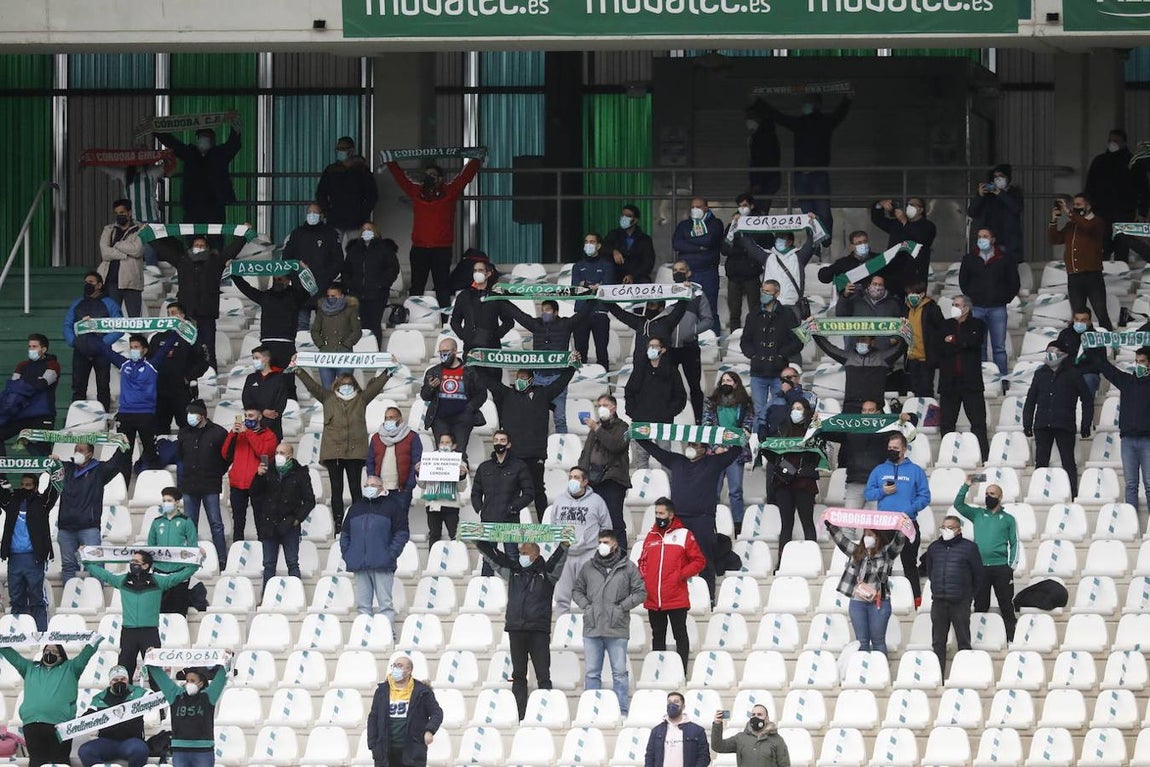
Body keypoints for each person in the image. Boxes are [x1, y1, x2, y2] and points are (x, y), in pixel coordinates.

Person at [637, 439, 741, 602]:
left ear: (704, 449)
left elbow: (735, 452)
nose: (690, 448)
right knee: (674, 560)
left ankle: (709, 599)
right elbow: (657, 451)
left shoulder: (713, 463)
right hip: (678, 520)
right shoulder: (677, 460)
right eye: (689, 444)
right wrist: (638, 437)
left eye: (695, 445)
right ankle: (674, 597)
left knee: (705, 560)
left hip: (703, 520)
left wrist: (740, 439)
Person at [477, 540, 567, 720]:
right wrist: (478, 541)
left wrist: (564, 546)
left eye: (524, 552)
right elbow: (495, 557)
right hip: (516, 629)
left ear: (535, 554)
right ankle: (520, 714)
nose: (521, 556)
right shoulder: (513, 571)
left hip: (538, 630)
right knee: (518, 674)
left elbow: (559, 558)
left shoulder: (547, 573)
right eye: (520, 552)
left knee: (543, 675)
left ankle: (546, 712)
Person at [296, 362, 390, 533]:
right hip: (334, 452)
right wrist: (298, 370)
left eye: (349, 384)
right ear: (336, 385)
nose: (346, 387)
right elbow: (312, 386)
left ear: (354, 385)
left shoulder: (361, 399)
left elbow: (375, 387)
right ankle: (339, 524)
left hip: (355, 453)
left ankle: (357, 521)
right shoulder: (328, 398)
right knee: (336, 489)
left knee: (356, 489)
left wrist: (388, 371)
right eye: (342, 384)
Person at [386, 151, 485, 309]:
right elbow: (401, 179)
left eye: (432, 175)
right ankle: (413, 316)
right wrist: (390, 162)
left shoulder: (449, 192)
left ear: (440, 178)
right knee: (417, 286)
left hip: (442, 249)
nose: (428, 178)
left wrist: (476, 160)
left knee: (442, 287)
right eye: (426, 175)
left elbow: (464, 177)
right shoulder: (417, 192)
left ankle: (446, 320)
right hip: (419, 248)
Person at [85, 550, 197, 680]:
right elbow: (104, 574)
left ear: (146, 565)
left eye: (136, 562)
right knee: (124, 671)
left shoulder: (158, 581)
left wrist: (197, 562)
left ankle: (161, 698)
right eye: (132, 561)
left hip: (149, 633)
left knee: (156, 673)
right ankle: (124, 699)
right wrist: (86, 560)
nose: (132, 564)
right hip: (128, 632)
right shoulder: (123, 580)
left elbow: (178, 577)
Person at [486, 366, 577, 520]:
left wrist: (572, 367)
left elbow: (560, 383)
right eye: (517, 377)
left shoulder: (543, 394)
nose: (519, 380)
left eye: (523, 377)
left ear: (531, 379)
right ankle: (509, 523)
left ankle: (543, 523)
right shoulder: (507, 393)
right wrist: (474, 364)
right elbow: (489, 382)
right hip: (513, 455)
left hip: (535, 455)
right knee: (510, 491)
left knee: (537, 491)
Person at [573, 530, 646, 716]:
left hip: (617, 627)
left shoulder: (628, 567)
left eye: (605, 541)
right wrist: (587, 606)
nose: (601, 545)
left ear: (614, 544)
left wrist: (621, 607)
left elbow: (640, 592)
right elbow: (577, 590)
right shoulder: (588, 567)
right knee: (591, 673)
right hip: (592, 627)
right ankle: (590, 711)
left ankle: (621, 710)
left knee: (620, 673)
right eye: (600, 541)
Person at [0, 636, 102, 767]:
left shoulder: (71, 668)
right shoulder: (30, 668)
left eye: (54, 651)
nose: (49, 653)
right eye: (47, 650)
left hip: (60, 726)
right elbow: (12, 656)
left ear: (61, 655)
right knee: (36, 762)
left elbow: (86, 654)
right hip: (32, 724)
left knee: (60, 762)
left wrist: (95, 638)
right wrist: (2, 640)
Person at [152, 233, 245, 370]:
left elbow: (232, 250)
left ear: (207, 248)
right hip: (186, 314)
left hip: (207, 314)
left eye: (202, 246)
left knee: (208, 349)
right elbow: (164, 251)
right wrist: (148, 236)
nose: (199, 247)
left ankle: (211, 378)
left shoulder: (216, 261)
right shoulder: (182, 260)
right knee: (185, 347)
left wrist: (244, 236)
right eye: (196, 245)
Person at [765, 92, 852, 236]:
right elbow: (778, 117)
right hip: (801, 176)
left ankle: (825, 241)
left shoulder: (825, 122)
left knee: (823, 212)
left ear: (817, 105)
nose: (804, 105)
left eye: (808, 102)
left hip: (818, 174)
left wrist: (848, 99)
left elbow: (840, 113)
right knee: (808, 214)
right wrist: (758, 102)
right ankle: (814, 242)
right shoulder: (800, 123)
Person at [501, 299, 592, 433]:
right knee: (535, 416)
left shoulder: (565, 324)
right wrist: (501, 299)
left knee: (560, 418)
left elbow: (583, 314)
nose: (544, 313)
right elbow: (518, 314)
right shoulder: (536, 325)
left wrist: (594, 297)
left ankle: (563, 449)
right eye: (543, 310)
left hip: (558, 378)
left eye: (548, 310)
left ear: (556, 312)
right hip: (538, 378)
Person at [638, 499, 706, 673]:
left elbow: (699, 561)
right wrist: (645, 577)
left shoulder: (684, 534)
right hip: (654, 598)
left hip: (676, 596)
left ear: (670, 514)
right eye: (656, 513)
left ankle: (681, 671)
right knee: (657, 636)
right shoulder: (651, 536)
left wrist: (680, 575)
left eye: (661, 513)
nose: (658, 517)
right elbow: (643, 561)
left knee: (680, 635)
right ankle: (659, 672)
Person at [864, 432, 931, 606]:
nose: (892, 451)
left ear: (904, 449)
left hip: (906, 523)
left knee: (910, 564)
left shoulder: (915, 471)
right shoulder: (879, 470)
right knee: (884, 563)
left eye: (895, 448)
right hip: (884, 524)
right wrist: (882, 492)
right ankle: (883, 599)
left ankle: (916, 600)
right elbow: (868, 493)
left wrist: (907, 510)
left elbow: (924, 497)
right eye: (889, 448)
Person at [825, 519, 907, 655]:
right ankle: (862, 671)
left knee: (878, 641)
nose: (868, 537)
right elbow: (842, 541)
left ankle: (881, 672)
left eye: (871, 534)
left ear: (878, 537)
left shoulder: (887, 553)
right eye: (866, 534)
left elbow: (898, 543)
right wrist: (831, 526)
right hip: (857, 602)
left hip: (879, 602)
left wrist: (901, 528)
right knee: (861, 642)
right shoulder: (857, 551)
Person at [1023, 341, 1093, 497]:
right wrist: (1027, 422)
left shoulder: (1074, 374)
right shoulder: (1040, 373)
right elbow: (1031, 399)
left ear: (1064, 354)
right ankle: (1038, 493)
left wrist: (1086, 424)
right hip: (1042, 424)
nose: (1049, 354)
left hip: (1064, 424)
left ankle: (1072, 495)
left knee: (1068, 461)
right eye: (1047, 351)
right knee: (1041, 462)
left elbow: (1087, 399)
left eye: (1053, 351)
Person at [103, 333, 177, 476]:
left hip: (146, 415)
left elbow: (166, 347)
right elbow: (104, 349)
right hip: (125, 415)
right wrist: (91, 329)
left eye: (136, 347)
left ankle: (154, 489)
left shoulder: (152, 364)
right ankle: (123, 486)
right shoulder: (124, 364)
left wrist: (177, 329)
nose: (133, 350)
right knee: (124, 454)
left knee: (151, 453)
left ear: (145, 350)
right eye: (131, 347)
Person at [954, 477, 1019, 641]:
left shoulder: (1009, 519)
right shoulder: (977, 514)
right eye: (986, 493)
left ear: (1000, 497)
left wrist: (1011, 565)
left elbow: (1014, 542)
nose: (988, 496)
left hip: (1001, 568)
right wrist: (966, 485)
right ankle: (979, 637)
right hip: (980, 568)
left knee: (1006, 605)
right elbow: (958, 505)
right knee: (980, 605)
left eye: (992, 493)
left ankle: (1011, 638)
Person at [921, 515, 984, 675]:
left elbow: (978, 575)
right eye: (943, 527)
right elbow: (930, 571)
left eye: (949, 527)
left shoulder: (970, 548)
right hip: (939, 602)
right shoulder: (934, 548)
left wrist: (968, 596)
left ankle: (964, 676)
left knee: (963, 641)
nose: (945, 530)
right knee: (938, 643)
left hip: (960, 603)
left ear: (958, 530)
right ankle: (938, 677)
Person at [341, 475, 409, 621]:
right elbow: (345, 534)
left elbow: (402, 533)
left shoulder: (392, 506)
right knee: (362, 606)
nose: (369, 488)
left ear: (382, 488)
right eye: (366, 486)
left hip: (382, 564)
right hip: (359, 564)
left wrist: (390, 554)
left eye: (373, 485)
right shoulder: (355, 508)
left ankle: (388, 637)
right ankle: (364, 639)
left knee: (385, 605)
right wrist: (348, 554)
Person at [822, 400, 912, 511]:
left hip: (878, 483)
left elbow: (910, 431)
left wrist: (909, 417)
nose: (867, 413)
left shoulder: (887, 431)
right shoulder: (851, 429)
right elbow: (827, 433)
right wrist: (818, 421)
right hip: (855, 482)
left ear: (878, 413)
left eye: (870, 410)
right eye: (864, 410)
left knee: (878, 523)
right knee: (848, 525)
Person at [249, 442, 315, 591]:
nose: (278, 456)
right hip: (269, 524)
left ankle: (297, 595)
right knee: (268, 564)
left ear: (290, 455)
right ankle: (267, 597)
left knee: (292, 562)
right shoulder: (268, 471)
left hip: (289, 525)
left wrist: (297, 519)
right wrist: (258, 476)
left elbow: (310, 500)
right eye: (277, 452)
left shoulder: (300, 473)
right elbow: (254, 493)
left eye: (282, 453)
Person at [762, 399, 823, 562]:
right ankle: (782, 562)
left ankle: (813, 561)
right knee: (786, 525)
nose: (795, 411)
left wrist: (816, 426)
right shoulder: (782, 429)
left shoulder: (813, 431)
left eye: (799, 408)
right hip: (784, 482)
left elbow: (819, 454)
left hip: (804, 482)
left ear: (806, 411)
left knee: (807, 523)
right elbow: (772, 453)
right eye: (793, 408)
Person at [958, 227, 1018, 387]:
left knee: (999, 347)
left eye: (985, 236)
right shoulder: (969, 258)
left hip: (998, 308)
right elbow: (963, 282)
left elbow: (1014, 282)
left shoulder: (1004, 259)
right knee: (979, 345)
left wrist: (1004, 298)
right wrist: (973, 297)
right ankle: (982, 381)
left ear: (993, 239)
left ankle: (1002, 381)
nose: (981, 239)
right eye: (979, 236)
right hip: (977, 308)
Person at [742, 280, 803, 433]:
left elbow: (798, 341)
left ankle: (778, 441)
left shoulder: (787, 315)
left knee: (780, 408)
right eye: (763, 290)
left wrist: (781, 354)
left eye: (768, 291)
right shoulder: (753, 314)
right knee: (759, 412)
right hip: (758, 371)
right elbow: (745, 341)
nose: (764, 294)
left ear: (777, 293)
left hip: (779, 373)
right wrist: (753, 355)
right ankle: (758, 448)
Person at [155, 118, 241, 225]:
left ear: (212, 140)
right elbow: (173, 144)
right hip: (193, 203)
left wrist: (235, 129)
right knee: (192, 235)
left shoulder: (219, 154)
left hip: (215, 203)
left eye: (206, 137)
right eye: (201, 137)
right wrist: (156, 130)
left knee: (215, 236)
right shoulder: (190, 153)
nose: (203, 140)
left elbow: (233, 145)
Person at [552, 466, 613, 616]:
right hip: (565, 555)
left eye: (577, 477)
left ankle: (591, 631)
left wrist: (601, 550)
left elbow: (607, 527)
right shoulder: (559, 501)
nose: (573, 480)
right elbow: (553, 525)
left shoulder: (597, 501)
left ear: (585, 481)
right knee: (561, 597)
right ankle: (562, 631)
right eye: (571, 477)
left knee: (592, 596)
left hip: (588, 554)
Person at [56, 442, 120, 583]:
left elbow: (116, 462)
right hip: (66, 528)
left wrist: (123, 445)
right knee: (68, 566)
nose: (77, 452)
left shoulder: (99, 470)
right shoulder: (66, 468)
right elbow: (43, 461)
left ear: (90, 454)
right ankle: (68, 597)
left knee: (95, 564)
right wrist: (30, 444)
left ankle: (98, 598)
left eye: (81, 450)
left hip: (89, 527)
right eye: (76, 449)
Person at [231, 269, 312, 383]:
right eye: (275, 279)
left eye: (280, 279)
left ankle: (290, 400)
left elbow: (311, 289)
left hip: (286, 346)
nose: (277, 281)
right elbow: (246, 289)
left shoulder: (295, 297)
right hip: (267, 346)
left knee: (288, 383)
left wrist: (304, 270)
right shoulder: (266, 296)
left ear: (288, 280)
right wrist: (233, 271)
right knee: (264, 382)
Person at [1101, 348, 1150, 533]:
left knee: (1149, 484)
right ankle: (1132, 526)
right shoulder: (1128, 381)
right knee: (1130, 484)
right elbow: (1107, 369)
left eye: (1143, 361)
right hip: (1128, 440)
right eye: (1137, 361)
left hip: (1147, 440)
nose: (1138, 365)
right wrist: (1096, 348)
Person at [472, 430, 535, 575]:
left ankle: (514, 591)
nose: (498, 444)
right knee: (488, 559)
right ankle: (486, 591)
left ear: (509, 444)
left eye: (502, 441)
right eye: (496, 441)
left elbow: (529, 493)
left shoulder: (519, 466)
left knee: (512, 556)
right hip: (488, 520)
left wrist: (514, 507)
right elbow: (476, 492)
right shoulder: (484, 467)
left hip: (510, 520)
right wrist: (480, 509)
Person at [0, 473, 57, 630]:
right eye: (22, 485)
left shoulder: (42, 503)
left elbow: (55, 489)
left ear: (36, 487)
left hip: (34, 558)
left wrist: (55, 468)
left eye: (28, 485)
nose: (24, 488)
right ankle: (18, 633)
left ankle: (40, 634)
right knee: (16, 599)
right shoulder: (11, 502)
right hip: (14, 559)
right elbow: (1, 489)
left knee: (36, 598)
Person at [1049, 193, 1113, 331]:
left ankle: (1109, 345)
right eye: (1074, 205)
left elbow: (1087, 227)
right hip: (1074, 276)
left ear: (1088, 206)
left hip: (1092, 275)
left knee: (1101, 312)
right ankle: (1078, 345)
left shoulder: (1097, 222)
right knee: (1078, 314)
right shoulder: (1071, 225)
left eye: (1079, 205)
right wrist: (1053, 220)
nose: (1075, 208)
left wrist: (1069, 212)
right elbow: (1054, 239)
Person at [937, 295, 990, 461]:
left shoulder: (978, 324)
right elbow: (940, 348)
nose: (953, 307)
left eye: (957, 305)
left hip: (971, 382)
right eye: (952, 304)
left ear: (966, 308)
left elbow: (974, 342)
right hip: (949, 382)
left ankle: (984, 457)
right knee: (946, 423)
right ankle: (947, 457)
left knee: (978, 423)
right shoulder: (945, 325)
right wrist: (961, 344)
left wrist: (953, 340)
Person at [367, 655, 443, 767]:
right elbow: (373, 717)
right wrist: (373, 744)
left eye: (400, 666)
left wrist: (429, 730)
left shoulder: (422, 691)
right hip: (385, 753)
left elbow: (437, 713)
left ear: (409, 670)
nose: (395, 669)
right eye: (394, 666)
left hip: (413, 753)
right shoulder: (382, 691)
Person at [702, 372, 755, 531]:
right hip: (715, 453)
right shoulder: (711, 403)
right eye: (723, 380)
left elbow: (747, 428)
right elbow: (707, 425)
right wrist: (716, 446)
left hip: (735, 454)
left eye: (729, 380)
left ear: (736, 384)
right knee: (713, 490)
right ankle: (712, 523)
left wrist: (730, 447)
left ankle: (738, 525)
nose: (725, 382)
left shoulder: (745, 404)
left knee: (736, 491)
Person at [146, 664, 228, 767]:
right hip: (180, 750)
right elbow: (161, 678)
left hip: (203, 750)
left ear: (201, 683)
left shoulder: (208, 696)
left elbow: (221, 678)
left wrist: (227, 660)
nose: (189, 683)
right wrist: (151, 659)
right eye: (187, 681)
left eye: (193, 681)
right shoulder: (175, 695)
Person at [625, 338, 689, 466]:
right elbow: (629, 391)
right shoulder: (639, 370)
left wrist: (668, 412)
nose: (652, 349)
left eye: (655, 346)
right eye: (650, 346)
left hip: (663, 422)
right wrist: (633, 412)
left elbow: (680, 396)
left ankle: (669, 485)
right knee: (641, 458)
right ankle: (641, 485)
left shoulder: (671, 371)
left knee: (666, 457)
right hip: (641, 421)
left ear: (663, 349)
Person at [284, 203, 348, 329]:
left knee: (326, 327)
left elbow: (338, 260)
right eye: (309, 213)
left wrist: (328, 277)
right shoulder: (297, 233)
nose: (311, 215)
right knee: (301, 326)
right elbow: (287, 258)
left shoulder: (330, 234)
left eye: (315, 213)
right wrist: (294, 276)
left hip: (323, 289)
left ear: (322, 216)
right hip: (300, 288)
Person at [579, 394, 632, 546]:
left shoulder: (623, 427)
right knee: (594, 521)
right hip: (593, 481)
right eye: (599, 405)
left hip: (613, 481)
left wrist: (596, 428)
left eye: (605, 405)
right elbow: (586, 453)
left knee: (615, 521)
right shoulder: (595, 427)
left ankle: (621, 555)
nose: (601, 408)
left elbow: (615, 445)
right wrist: (580, 475)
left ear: (614, 408)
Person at [419, 338, 487, 455]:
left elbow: (481, 394)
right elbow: (425, 396)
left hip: (462, 419)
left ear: (455, 351)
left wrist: (469, 409)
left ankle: (461, 473)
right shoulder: (433, 372)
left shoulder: (470, 371)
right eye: (440, 352)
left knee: (459, 453)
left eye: (445, 351)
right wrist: (430, 387)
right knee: (442, 452)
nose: (442, 355)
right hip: (440, 419)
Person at [64, 271, 121, 410]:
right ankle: (77, 419)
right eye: (86, 282)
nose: (87, 285)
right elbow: (67, 324)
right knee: (78, 387)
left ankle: (105, 419)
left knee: (103, 387)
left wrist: (102, 344)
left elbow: (119, 327)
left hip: (102, 352)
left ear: (99, 285)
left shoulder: (110, 303)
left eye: (91, 282)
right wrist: (74, 342)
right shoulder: (77, 303)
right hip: (81, 351)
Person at [221, 407, 279, 544]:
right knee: (238, 521)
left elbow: (264, 452)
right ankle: (237, 549)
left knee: (261, 519)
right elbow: (225, 454)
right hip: (238, 482)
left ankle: (264, 550)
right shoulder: (239, 435)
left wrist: (248, 433)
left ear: (259, 417)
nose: (247, 419)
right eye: (246, 416)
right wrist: (232, 434)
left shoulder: (269, 435)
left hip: (258, 482)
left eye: (251, 416)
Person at [812, 332, 905, 415]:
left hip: (874, 407)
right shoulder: (849, 357)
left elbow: (901, 348)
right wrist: (815, 333)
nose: (860, 343)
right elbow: (829, 348)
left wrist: (905, 333)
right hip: (851, 407)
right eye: (858, 340)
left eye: (864, 340)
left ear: (872, 342)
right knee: (847, 434)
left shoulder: (882, 357)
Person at [668, 260, 715, 423]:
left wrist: (692, 331)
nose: (678, 273)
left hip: (689, 347)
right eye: (675, 270)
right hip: (668, 349)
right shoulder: (665, 292)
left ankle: (698, 421)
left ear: (688, 273)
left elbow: (708, 320)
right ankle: (668, 420)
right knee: (667, 387)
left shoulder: (698, 294)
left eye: (681, 270)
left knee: (695, 387)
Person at [740, 220, 819, 316]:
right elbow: (750, 246)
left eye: (782, 238)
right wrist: (742, 224)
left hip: (792, 306)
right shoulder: (768, 257)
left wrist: (810, 223)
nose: (778, 240)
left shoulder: (798, 257)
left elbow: (812, 242)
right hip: (771, 306)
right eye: (777, 237)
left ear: (790, 241)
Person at [153, 302, 212, 432]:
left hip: (182, 390)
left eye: (173, 313)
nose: (170, 317)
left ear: (182, 316)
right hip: (161, 391)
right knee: (160, 428)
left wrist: (188, 376)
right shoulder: (157, 338)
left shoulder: (192, 337)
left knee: (187, 427)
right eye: (168, 314)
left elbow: (203, 360)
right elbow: (150, 363)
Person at [77, 665, 150, 767]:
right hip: (106, 741)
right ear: (110, 682)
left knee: (141, 750)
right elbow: (88, 716)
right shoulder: (99, 698)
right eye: (115, 680)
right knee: (85, 751)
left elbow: (153, 697)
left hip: (132, 741)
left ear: (128, 680)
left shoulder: (138, 692)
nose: (119, 682)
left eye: (123, 679)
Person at [1085, 129, 1141, 261]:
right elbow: (1090, 186)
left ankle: (1121, 275)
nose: (1112, 143)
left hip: (1124, 213)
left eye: (1116, 141)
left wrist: (1142, 211)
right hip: (1102, 212)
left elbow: (1142, 188)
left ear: (1124, 143)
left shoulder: (1132, 162)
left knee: (1122, 247)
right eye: (1110, 140)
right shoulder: (1099, 161)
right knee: (1101, 247)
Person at [0, 334, 60, 457]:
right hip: (21, 414)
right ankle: (2, 476)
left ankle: (46, 475)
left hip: (42, 415)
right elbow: (13, 387)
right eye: (29, 346)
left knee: (43, 451)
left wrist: (24, 383)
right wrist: (32, 382)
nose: (31, 349)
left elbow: (42, 384)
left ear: (43, 349)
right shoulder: (21, 365)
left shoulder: (52, 364)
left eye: (34, 346)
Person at [343, 223, 401, 348]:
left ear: (376, 231)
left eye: (369, 229)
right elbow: (346, 270)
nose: (366, 232)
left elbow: (393, 268)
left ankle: (375, 352)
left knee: (374, 325)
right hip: (356, 295)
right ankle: (360, 352)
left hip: (377, 295)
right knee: (358, 325)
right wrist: (349, 285)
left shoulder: (385, 249)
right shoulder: (354, 250)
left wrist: (382, 284)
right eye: (363, 229)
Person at [671, 196, 724, 326]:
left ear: (706, 208)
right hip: (687, 274)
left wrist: (688, 241)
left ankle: (713, 339)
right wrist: (700, 247)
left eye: (698, 207)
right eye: (693, 207)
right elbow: (676, 244)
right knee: (686, 308)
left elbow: (709, 240)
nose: (695, 209)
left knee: (710, 309)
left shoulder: (715, 223)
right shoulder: (684, 225)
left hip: (708, 272)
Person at [147, 487, 199, 616]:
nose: (166, 503)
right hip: (160, 573)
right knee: (160, 613)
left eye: (169, 500)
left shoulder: (186, 521)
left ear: (177, 502)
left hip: (179, 573)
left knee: (179, 613)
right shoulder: (156, 522)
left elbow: (193, 546)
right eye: (164, 500)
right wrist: (154, 567)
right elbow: (150, 546)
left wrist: (186, 571)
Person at [450, 259, 513, 365]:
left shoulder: (496, 295)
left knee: (493, 381)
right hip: (470, 349)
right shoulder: (464, 296)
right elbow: (454, 321)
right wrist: (464, 335)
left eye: (480, 270)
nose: (477, 273)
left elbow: (509, 321)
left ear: (488, 273)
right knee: (471, 379)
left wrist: (495, 335)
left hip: (492, 350)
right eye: (475, 271)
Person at [316, 137, 379, 242]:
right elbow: (321, 192)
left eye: (343, 148)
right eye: (338, 148)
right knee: (332, 251)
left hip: (356, 220)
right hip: (335, 218)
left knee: (356, 252)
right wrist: (327, 211)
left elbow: (372, 194)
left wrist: (363, 213)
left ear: (351, 150)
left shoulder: (362, 170)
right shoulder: (331, 170)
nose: (340, 151)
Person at [570, 232, 618, 368]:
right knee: (580, 354)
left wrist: (586, 284)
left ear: (598, 246)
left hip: (600, 313)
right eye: (586, 242)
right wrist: (594, 285)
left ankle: (605, 385)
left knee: (602, 353)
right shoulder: (578, 266)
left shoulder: (607, 265)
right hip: (581, 314)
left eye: (591, 242)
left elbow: (607, 286)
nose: (588, 245)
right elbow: (576, 287)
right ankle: (579, 383)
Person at [723, 194, 771, 331]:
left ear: (751, 206)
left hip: (752, 274)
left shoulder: (759, 224)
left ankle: (757, 335)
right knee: (734, 313)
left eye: (744, 205)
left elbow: (767, 243)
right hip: (734, 274)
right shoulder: (732, 225)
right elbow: (725, 249)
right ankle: (734, 338)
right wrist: (734, 228)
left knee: (755, 310)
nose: (742, 208)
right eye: (739, 206)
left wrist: (747, 243)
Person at [366, 406, 424, 514]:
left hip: (402, 490)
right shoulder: (376, 438)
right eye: (386, 418)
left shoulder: (412, 437)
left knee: (400, 522)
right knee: (382, 522)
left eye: (391, 417)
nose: (388, 421)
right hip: (381, 489)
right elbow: (370, 461)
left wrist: (409, 485)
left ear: (400, 419)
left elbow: (416, 462)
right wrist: (373, 483)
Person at [418, 433, 470, 548]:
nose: (444, 445)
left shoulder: (459, 462)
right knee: (434, 535)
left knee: (455, 535)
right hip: (433, 504)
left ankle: (458, 561)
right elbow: (422, 484)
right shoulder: (430, 460)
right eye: (442, 442)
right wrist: (418, 472)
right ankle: (433, 562)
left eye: (447, 442)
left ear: (454, 445)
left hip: (451, 504)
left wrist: (461, 476)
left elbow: (461, 488)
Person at [871, 197, 938, 286]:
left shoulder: (928, 226)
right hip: (894, 270)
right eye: (907, 205)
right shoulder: (897, 224)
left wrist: (904, 221)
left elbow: (921, 239)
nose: (908, 207)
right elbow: (878, 220)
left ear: (921, 209)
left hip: (915, 274)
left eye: (912, 205)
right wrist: (879, 205)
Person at [967, 163, 1024, 263]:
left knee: (1009, 270)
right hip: (991, 241)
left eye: (1001, 176)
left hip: (1009, 241)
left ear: (1008, 178)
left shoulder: (1015, 193)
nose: (998, 179)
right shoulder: (988, 196)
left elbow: (1016, 208)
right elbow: (972, 212)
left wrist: (1000, 193)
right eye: (995, 177)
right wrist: (980, 196)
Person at [608, 298, 689, 368]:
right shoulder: (640, 321)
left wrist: (685, 292)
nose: (648, 308)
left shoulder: (667, 322)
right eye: (647, 305)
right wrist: (603, 297)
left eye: (652, 305)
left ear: (661, 308)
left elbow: (680, 309)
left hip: (661, 368)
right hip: (640, 367)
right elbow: (619, 313)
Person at [97, 199, 145, 316]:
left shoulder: (140, 228)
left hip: (132, 281)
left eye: (122, 212)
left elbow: (137, 250)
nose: (119, 216)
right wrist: (124, 254)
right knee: (113, 318)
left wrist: (117, 244)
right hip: (111, 281)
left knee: (134, 319)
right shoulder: (109, 229)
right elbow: (105, 253)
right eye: (117, 213)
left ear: (129, 213)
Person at [310, 282, 362, 389]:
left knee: (345, 387)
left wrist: (346, 344)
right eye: (328, 296)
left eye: (334, 296)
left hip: (345, 355)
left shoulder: (351, 310)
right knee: (327, 389)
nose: (330, 298)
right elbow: (315, 330)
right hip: (325, 354)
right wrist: (321, 345)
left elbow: (357, 331)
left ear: (341, 296)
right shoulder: (321, 311)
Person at [644, 691, 711, 767]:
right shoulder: (656, 731)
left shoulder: (697, 731)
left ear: (683, 707)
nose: (672, 705)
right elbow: (649, 756)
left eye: (676, 702)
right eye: (669, 702)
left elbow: (704, 757)